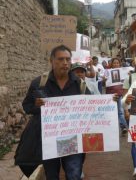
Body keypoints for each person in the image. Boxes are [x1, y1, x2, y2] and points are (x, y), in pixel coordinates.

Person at [21, 45, 91, 179]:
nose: (65, 63)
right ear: (51, 61)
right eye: (60, 59)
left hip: (73, 139)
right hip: (49, 140)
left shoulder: (79, 84)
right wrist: (36, 106)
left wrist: (110, 101)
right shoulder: (39, 83)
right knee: (52, 175)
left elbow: (93, 105)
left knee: (74, 174)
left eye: (68, 59)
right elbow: (26, 106)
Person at [122, 55, 136, 179]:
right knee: (135, 140)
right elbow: (124, 97)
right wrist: (126, 111)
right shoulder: (129, 78)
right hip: (133, 113)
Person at [105, 58, 128, 135]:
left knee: (120, 112)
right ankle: (112, 129)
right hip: (110, 95)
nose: (116, 64)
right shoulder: (107, 72)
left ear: (119, 64)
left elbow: (126, 83)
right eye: (114, 63)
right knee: (111, 113)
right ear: (111, 64)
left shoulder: (123, 72)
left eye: (117, 63)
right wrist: (104, 80)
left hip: (119, 94)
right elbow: (103, 84)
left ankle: (123, 127)